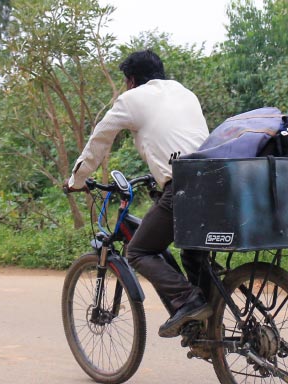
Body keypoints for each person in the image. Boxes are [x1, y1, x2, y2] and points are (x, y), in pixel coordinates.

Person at [67, 49, 211, 338]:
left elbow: (100, 138)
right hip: (217, 181)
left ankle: (190, 300)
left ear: (131, 80)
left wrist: (77, 179)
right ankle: (210, 326)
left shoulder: (132, 99)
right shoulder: (185, 92)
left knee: (139, 251)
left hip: (184, 186)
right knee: (193, 256)